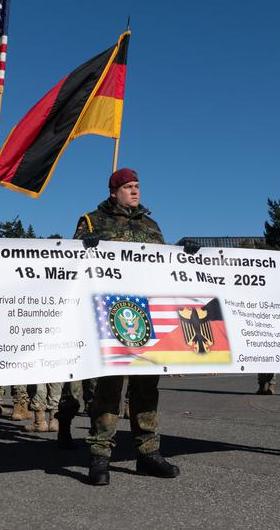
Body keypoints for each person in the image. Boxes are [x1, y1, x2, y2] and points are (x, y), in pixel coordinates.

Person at [70, 167, 180, 485]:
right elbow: (75, 265)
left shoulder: (151, 225)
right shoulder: (92, 222)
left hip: (145, 315)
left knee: (146, 388)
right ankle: (99, 456)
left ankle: (148, 453)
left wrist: (183, 255)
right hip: (109, 314)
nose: (135, 191)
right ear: (114, 191)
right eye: (128, 187)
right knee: (108, 389)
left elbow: (165, 267)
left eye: (137, 186)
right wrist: (85, 247)